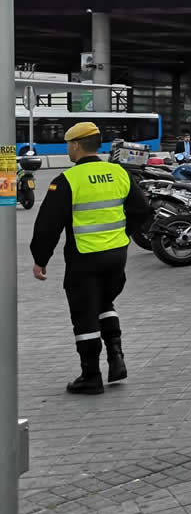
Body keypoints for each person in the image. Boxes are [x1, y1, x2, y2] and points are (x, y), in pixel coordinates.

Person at [29, 122, 151, 394]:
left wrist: (40, 260)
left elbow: (47, 226)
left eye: (68, 144)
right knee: (105, 302)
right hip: (117, 256)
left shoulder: (67, 180)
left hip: (84, 258)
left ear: (75, 145)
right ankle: (116, 358)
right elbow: (142, 209)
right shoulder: (119, 172)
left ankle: (91, 376)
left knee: (84, 314)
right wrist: (123, 234)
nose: (68, 149)